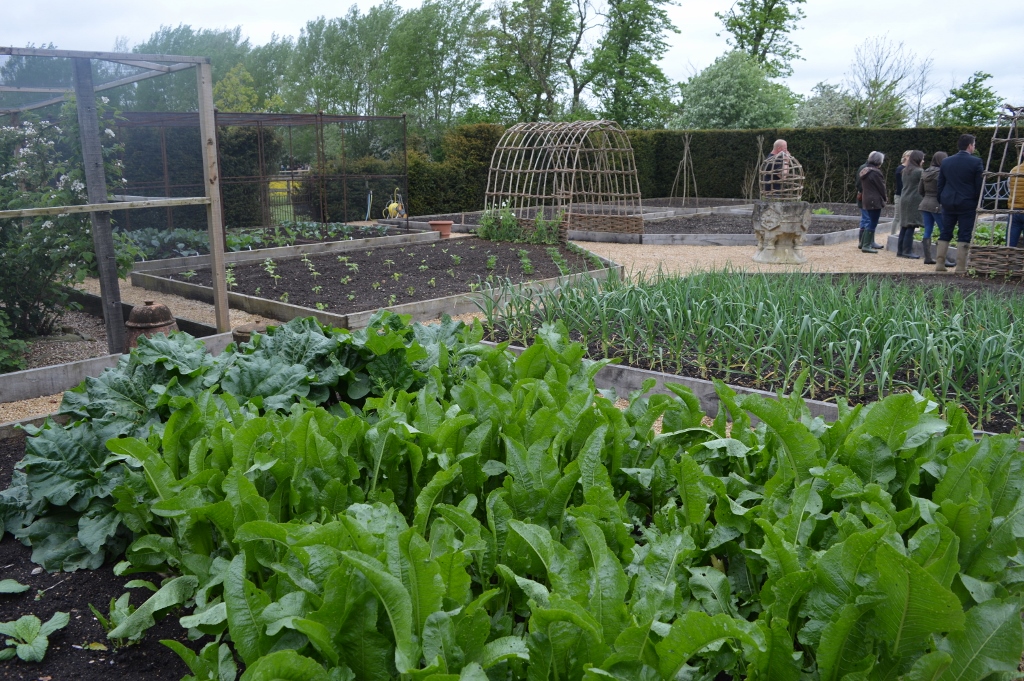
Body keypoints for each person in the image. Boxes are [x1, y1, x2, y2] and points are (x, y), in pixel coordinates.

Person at [936, 134, 985, 272]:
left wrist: (941, 198)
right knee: (964, 233)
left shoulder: (946, 161)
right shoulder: (976, 162)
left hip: (948, 202)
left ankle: (939, 264)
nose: (974, 147)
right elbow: (979, 185)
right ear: (970, 146)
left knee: (945, 232)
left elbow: (940, 183)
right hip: (967, 202)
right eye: (974, 145)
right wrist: (979, 202)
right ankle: (961, 267)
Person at [918, 151, 953, 265]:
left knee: (928, 230)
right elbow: (945, 189)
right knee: (944, 230)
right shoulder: (941, 172)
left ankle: (928, 258)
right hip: (937, 204)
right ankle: (942, 259)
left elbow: (920, 190)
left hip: (925, 203)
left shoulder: (925, 172)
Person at [896, 150, 925, 258]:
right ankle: (907, 251)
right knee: (911, 225)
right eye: (922, 158)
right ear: (918, 159)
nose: (923, 161)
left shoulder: (904, 170)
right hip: (914, 200)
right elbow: (924, 186)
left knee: (904, 225)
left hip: (904, 198)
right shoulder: (919, 171)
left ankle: (900, 250)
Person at [858, 151, 887, 253]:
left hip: (866, 198)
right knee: (872, 222)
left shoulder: (865, 170)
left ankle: (863, 243)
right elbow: (881, 187)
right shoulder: (875, 172)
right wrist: (885, 198)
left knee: (869, 221)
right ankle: (866, 245)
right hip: (874, 200)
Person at [891, 150, 913, 235]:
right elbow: (900, 185)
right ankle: (893, 235)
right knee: (898, 217)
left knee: (904, 218)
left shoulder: (910, 169)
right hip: (900, 195)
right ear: (906, 157)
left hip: (906, 195)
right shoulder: (900, 169)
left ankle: (901, 235)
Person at [1008, 143, 1024, 247]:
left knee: (1010, 244)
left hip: (1014, 210)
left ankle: (1008, 256)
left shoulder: (1014, 170)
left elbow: (1009, 188)